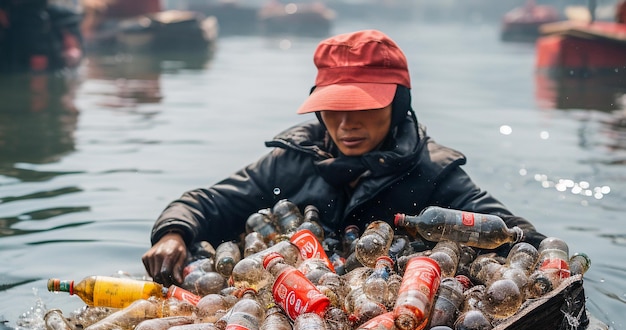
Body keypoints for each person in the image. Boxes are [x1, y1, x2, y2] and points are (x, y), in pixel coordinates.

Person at [142, 29, 545, 287]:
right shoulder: (293, 160)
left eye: (365, 106)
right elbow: (210, 202)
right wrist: (173, 233)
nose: (347, 123)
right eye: (335, 107)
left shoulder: (435, 175)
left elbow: (520, 237)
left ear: (398, 104)